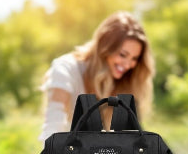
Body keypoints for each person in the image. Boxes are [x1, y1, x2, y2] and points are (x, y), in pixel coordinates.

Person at [39, 11, 155, 141]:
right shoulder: (65, 69)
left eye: (135, 58)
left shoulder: (122, 82)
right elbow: (54, 122)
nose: (128, 65)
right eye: (122, 55)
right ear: (105, 48)